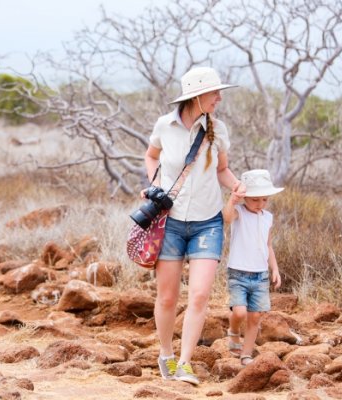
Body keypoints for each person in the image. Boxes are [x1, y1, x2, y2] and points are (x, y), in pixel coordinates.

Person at [144, 66, 245, 385]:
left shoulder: (219, 129)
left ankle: (185, 362)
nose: (219, 97)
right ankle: (166, 355)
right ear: (196, 96)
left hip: (208, 223)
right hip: (170, 223)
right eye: (214, 92)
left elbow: (222, 170)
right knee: (167, 298)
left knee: (200, 295)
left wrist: (237, 186)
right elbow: (150, 156)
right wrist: (155, 185)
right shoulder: (165, 125)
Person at [222, 169, 283, 366]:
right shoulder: (239, 212)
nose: (260, 204)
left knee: (255, 316)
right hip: (238, 272)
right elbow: (227, 218)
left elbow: (268, 245)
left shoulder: (267, 217)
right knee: (239, 312)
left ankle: (246, 354)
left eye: (264, 199)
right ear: (246, 197)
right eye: (255, 199)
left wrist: (274, 269)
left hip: (260, 274)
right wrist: (233, 200)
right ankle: (233, 332)